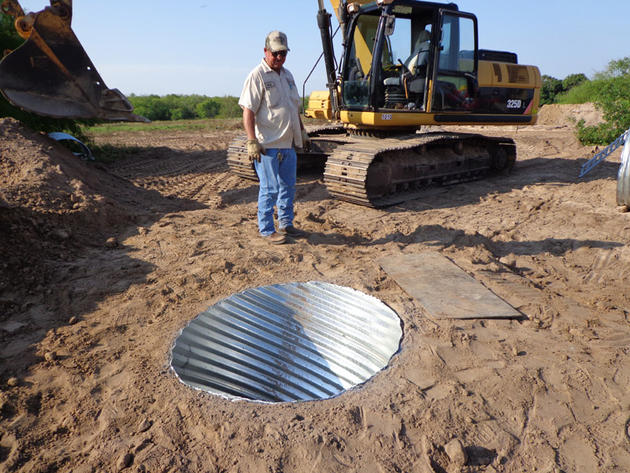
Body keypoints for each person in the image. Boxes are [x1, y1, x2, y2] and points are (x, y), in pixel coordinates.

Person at [238, 31, 310, 245]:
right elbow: (248, 111)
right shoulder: (257, 75)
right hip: (267, 145)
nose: (279, 58)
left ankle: (286, 224)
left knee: (288, 186)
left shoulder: (287, 76)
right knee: (269, 189)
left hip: (287, 144)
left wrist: (302, 131)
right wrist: (252, 141)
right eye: (275, 53)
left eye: (283, 54)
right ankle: (267, 229)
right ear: (265, 51)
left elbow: (293, 107)